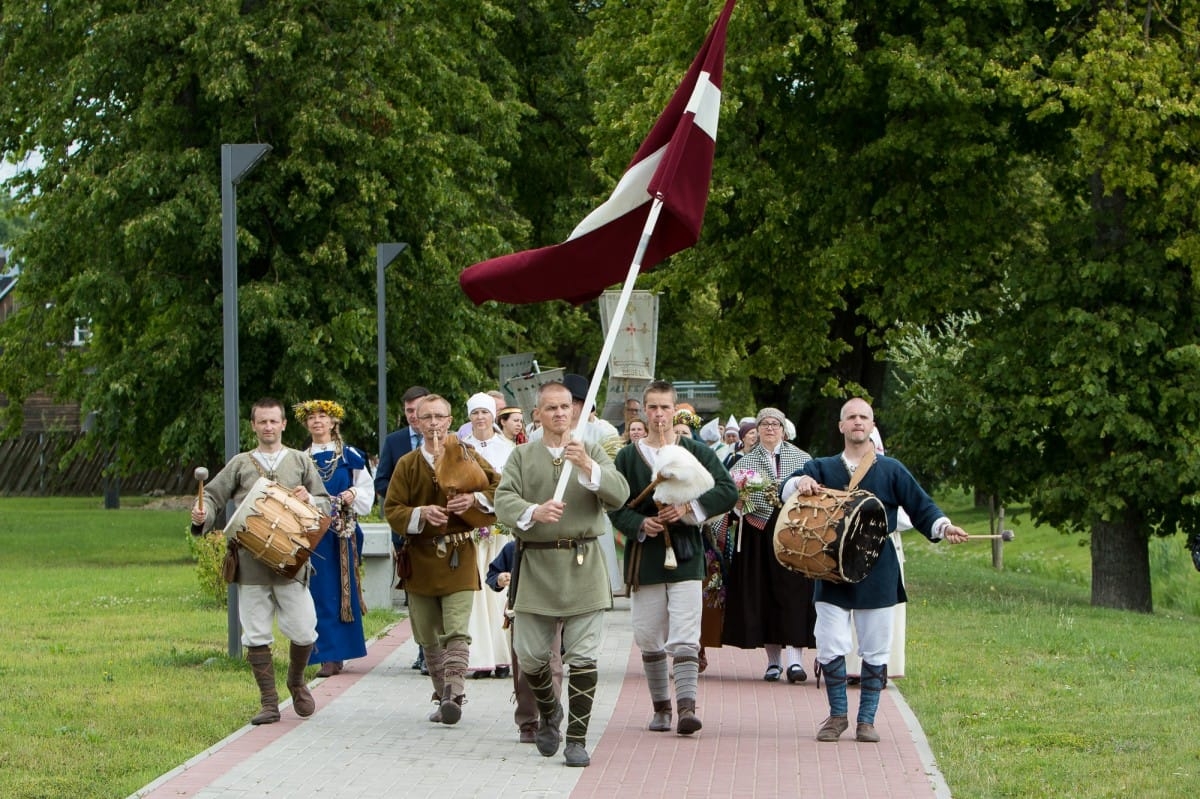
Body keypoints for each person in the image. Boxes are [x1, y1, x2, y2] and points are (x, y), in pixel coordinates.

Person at [783, 397, 969, 743]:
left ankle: (866, 720)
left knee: (876, 647)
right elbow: (787, 488)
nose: (857, 422)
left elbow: (921, 505)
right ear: (841, 426)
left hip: (877, 568)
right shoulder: (820, 467)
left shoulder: (892, 469)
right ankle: (837, 716)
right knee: (829, 643)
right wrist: (799, 485)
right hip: (831, 570)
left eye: (863, 417)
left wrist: (944, 528)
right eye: (851, 417)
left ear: (872, 425)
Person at [494, 381, 630, 767]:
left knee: (584, 657)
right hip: (536, 563)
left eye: (564, 407)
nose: (558, 414)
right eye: (550, 408)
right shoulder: (522, 455)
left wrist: (588, 466)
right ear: (537, 414)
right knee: (531, 654)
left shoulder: (593, 452)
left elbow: (620, 493)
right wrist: (533, 511)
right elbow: (503, 500)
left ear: (574, 411)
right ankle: (550, 710)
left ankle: (577, 739)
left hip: (582, 563)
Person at [190, 397, 331, 726]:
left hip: (292, 564)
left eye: (274, 421)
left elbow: (324, 502)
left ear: (283, 424)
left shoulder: (300, 461)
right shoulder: (240, 464)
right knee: (255, 635)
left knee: (305, 630)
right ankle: (269, 702)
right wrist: (202, 514)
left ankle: (296, 682)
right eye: (262, 422)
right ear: (253, 426)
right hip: (250, 564)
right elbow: (211, 496)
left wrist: (310, 498)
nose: (268, 427)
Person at [608, 381, 737, 736]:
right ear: (644, 411)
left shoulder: (694, 450)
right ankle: (661, 708)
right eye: (652, 408)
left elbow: (728, 490)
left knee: (685, 633)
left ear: (674, 410)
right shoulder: (627, 457)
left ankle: (686, 709)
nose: (659, 415)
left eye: (665, 408)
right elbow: (615, 505)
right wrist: (641, 523)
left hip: (686, 554)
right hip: (645, 556)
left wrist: (688, 509)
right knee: (648, 634)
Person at [383, 394, 501, 725]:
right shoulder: (407, 464)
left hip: (458, 554)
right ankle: (442, 695)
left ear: (449, 421)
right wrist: (420, 513)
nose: (434, 423)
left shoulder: (467, 454)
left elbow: (499, 489)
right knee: (427, 635)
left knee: (457, 628)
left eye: (439, 417)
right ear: (416, 422)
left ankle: (455, 695)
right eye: (427, 417)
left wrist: (472, 499)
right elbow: (392, 509)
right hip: (419, 558)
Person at [721, 408, 817, 684]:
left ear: (784, 430)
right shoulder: (743, 462)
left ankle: (796, 661)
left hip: (794, 533)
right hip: (758, 534)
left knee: (795, 593)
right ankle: (773, 661)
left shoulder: (802, 458)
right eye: (765, 424)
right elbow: (730, 498)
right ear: (757, 429)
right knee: (762, 593)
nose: (770, 429)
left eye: (776, 424)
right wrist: (739, 505)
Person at [295, 399, 375, 677]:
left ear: (333, 422)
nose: (317, 421)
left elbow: (366, 489)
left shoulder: (349, 456)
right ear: (306, 424)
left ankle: (337, 653)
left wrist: (353, 495)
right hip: (311, 533)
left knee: (340, 591)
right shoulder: (300, 458)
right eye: (312, 417)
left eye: (323, 416)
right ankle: (321, 651)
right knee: (314, 591)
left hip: (341, 533)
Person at [374, 385, 430, 672]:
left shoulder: (447, 439)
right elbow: (380, 480)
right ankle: (423, 650)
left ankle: (439, 649)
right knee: (416, 593)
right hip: (406, 532)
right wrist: (403, 497)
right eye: (408, 411)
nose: (413, 417)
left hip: (438, 529)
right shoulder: (394, 442)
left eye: (417, 410)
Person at [486, 539, 564, 743]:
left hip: (553, 610)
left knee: (553, 665)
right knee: (526, 668)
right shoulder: (514, 548)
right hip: (521, 612)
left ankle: (550, 720)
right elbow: (492, 574)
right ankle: (528, 722)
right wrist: (500, 579)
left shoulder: (560, 546)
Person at [462, 392, 516, 679]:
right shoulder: (461, 448)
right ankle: (480, 656)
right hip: (471, 531)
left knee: (500, 591)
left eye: (484, 413)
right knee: (475, 595)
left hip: (500, 531)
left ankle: (504, 655)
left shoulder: (507, 448)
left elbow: (512, 487)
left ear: (493, 416)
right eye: (475, 414)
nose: (480, 418)